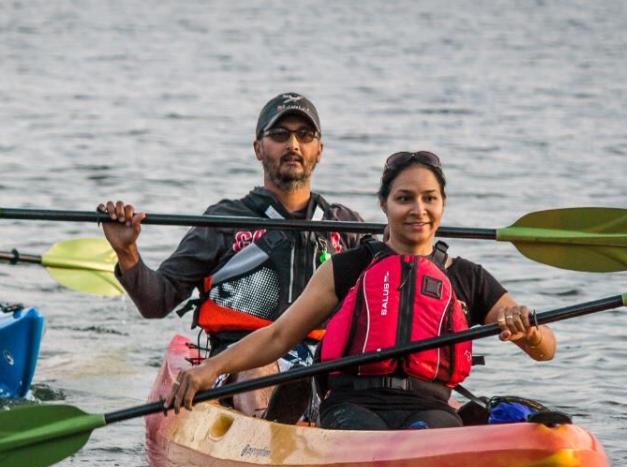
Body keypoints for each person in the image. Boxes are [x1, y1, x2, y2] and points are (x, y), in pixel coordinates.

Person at [164, 150, 557, 431]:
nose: (418, 210)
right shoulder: (350, 266)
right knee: (365, 432)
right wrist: (208, 370)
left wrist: (529, 330)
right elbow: (281, 335)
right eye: (404, 198)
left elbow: (546, 349)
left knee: (434, 431)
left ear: (443, 205)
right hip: (352, 405)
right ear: (384, 205)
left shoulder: (468, 277)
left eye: (429, 199)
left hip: (429, 405)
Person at [98, 92, 365, 415]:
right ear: (258, 148)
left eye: (304, 136)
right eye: (280, 135)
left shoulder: (346, 226)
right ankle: (269, 428)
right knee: (259, 370)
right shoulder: (223, 221)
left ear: (319, 150)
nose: (293, 145)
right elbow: (157, 301)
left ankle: (308, 411)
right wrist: (127, 252)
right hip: (239, 362)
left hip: (323, 361)